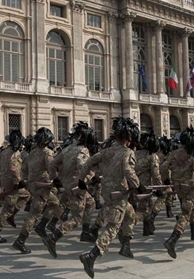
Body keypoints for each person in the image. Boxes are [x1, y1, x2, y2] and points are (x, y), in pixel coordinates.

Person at [78, 117, 140, 279]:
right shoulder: (127, 152)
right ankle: (92, 256)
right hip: (119, 193)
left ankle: (125, 245)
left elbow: (88, 163)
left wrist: (81, 180)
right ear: (128, 138)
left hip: (107, 191)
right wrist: (137, 184)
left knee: (130, 215)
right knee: (113, 226)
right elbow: (128, 170)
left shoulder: (106, 151)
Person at [42, 122, 98, 258]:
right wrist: (89, 177)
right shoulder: (83, 150)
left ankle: (85, 232)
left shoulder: (67, 149)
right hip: (77, 188)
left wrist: (55, 178)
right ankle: (53, 237)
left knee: (91, 203)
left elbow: (53, 164)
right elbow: (82, 165)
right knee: (76, 218)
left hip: (67, 184)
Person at [161, 127, 194, 259]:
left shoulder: (173, 153)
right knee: (186, 214)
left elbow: (163, 167)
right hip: (190, 188)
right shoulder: (193, 155)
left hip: (178, 187)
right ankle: (172, 240)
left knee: (190, 207)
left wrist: (166, 179)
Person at [12, 128, 60, 254]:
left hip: (33, 185)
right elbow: (51, 168)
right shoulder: (47, 152)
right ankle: (20, 240)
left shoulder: (32, 152)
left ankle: (42, 225)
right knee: (33, 215)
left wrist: (28, 181)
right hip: (43, 187)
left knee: (55, 202)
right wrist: (55, 179)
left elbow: (24, 168)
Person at [0, 130, 29, 243]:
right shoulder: (14, 154)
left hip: (6, 183)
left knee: (26, 195)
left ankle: (12, 214)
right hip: (13, 185)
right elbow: (13, 169)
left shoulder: (4, 152)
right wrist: (19, 181)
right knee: (6, 210)